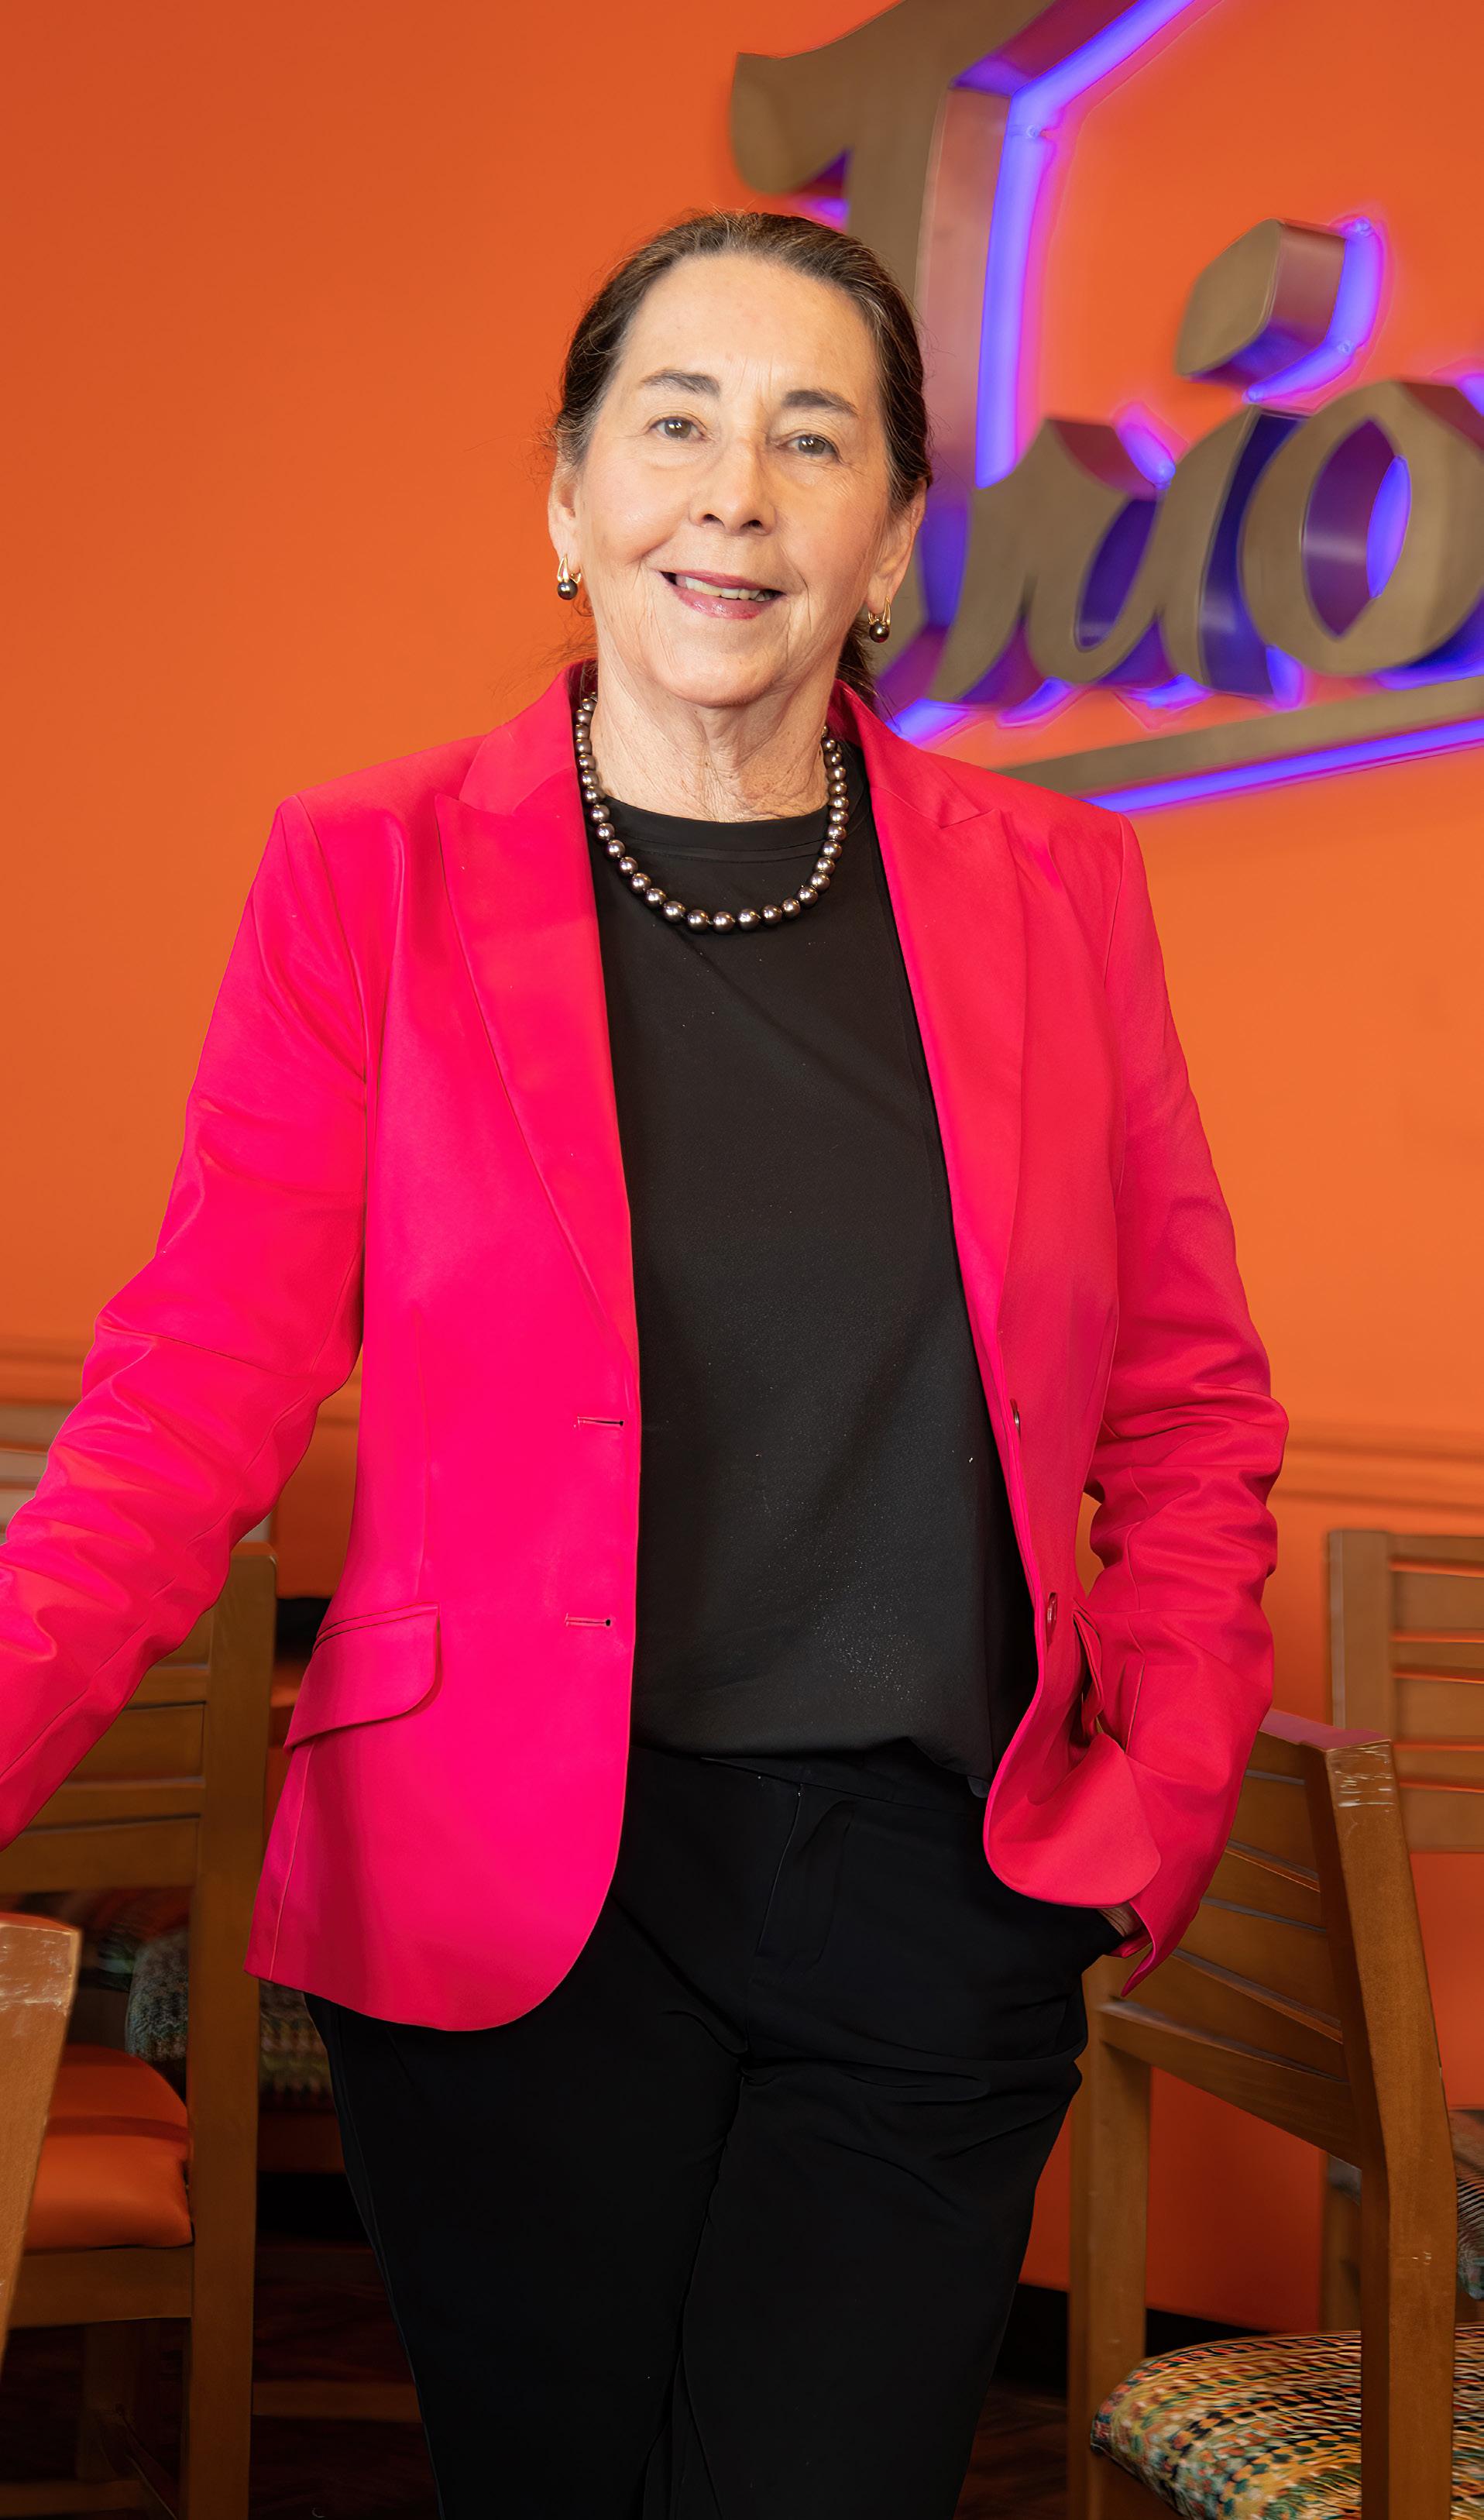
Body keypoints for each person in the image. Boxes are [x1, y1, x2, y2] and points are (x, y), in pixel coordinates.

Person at [0, 209, 1286, 2517]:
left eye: (815, 440)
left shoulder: (1056, 889)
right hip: (506, 1898)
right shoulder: (366, 874)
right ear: (569, 496)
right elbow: (189, 1390)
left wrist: (1155, 1797)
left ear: (891, 540)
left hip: (933, 1885)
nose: (736, 495)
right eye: (675, 425)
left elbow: (1187, 1403)